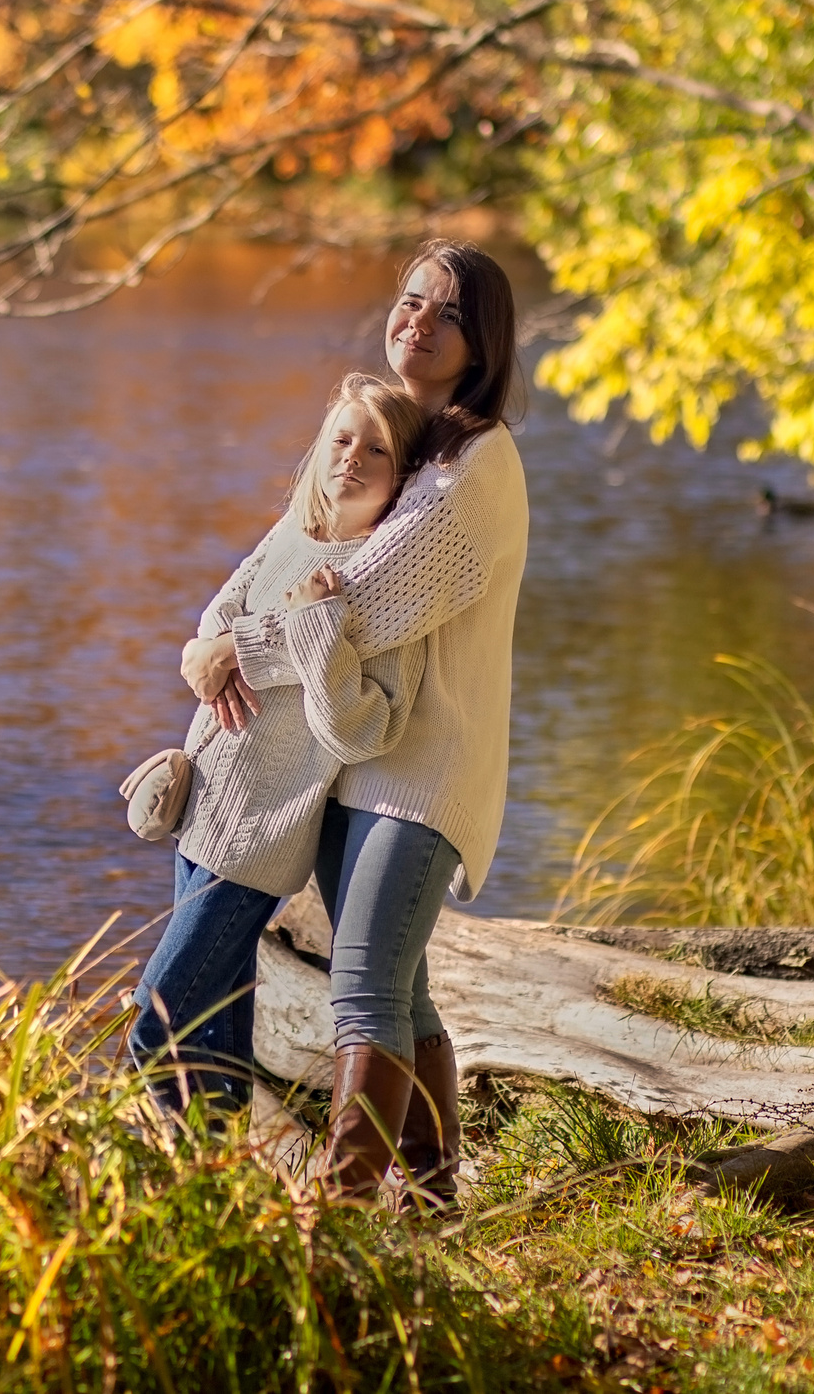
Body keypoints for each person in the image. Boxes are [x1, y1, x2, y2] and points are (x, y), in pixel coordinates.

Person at [182, 239, 528, 1203]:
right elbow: (287, 560)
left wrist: (228, 656)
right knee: (402, 993)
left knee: (364, 988)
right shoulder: (391, 439)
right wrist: (206, 638)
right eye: (411, 301)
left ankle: (338, 1211)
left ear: (481, 342)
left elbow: (362, 608)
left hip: (426, 770)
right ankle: (429, 1200)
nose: (418, 322)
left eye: (446, 313)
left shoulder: (476, 466)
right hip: (358, 756)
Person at [129, 375, 436, 1121]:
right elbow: (220, 614)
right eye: (341, 438)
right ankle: (228, 1195)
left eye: (377, 449)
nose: (352, 458)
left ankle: (195, 1180)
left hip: (260, 838)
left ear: (401, 477)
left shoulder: (380, 585)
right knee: (215, 1030)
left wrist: (316, 626)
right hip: (202, 808)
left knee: (156, 1021)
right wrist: (211, 652)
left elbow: (363, 728)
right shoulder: (293, 534)